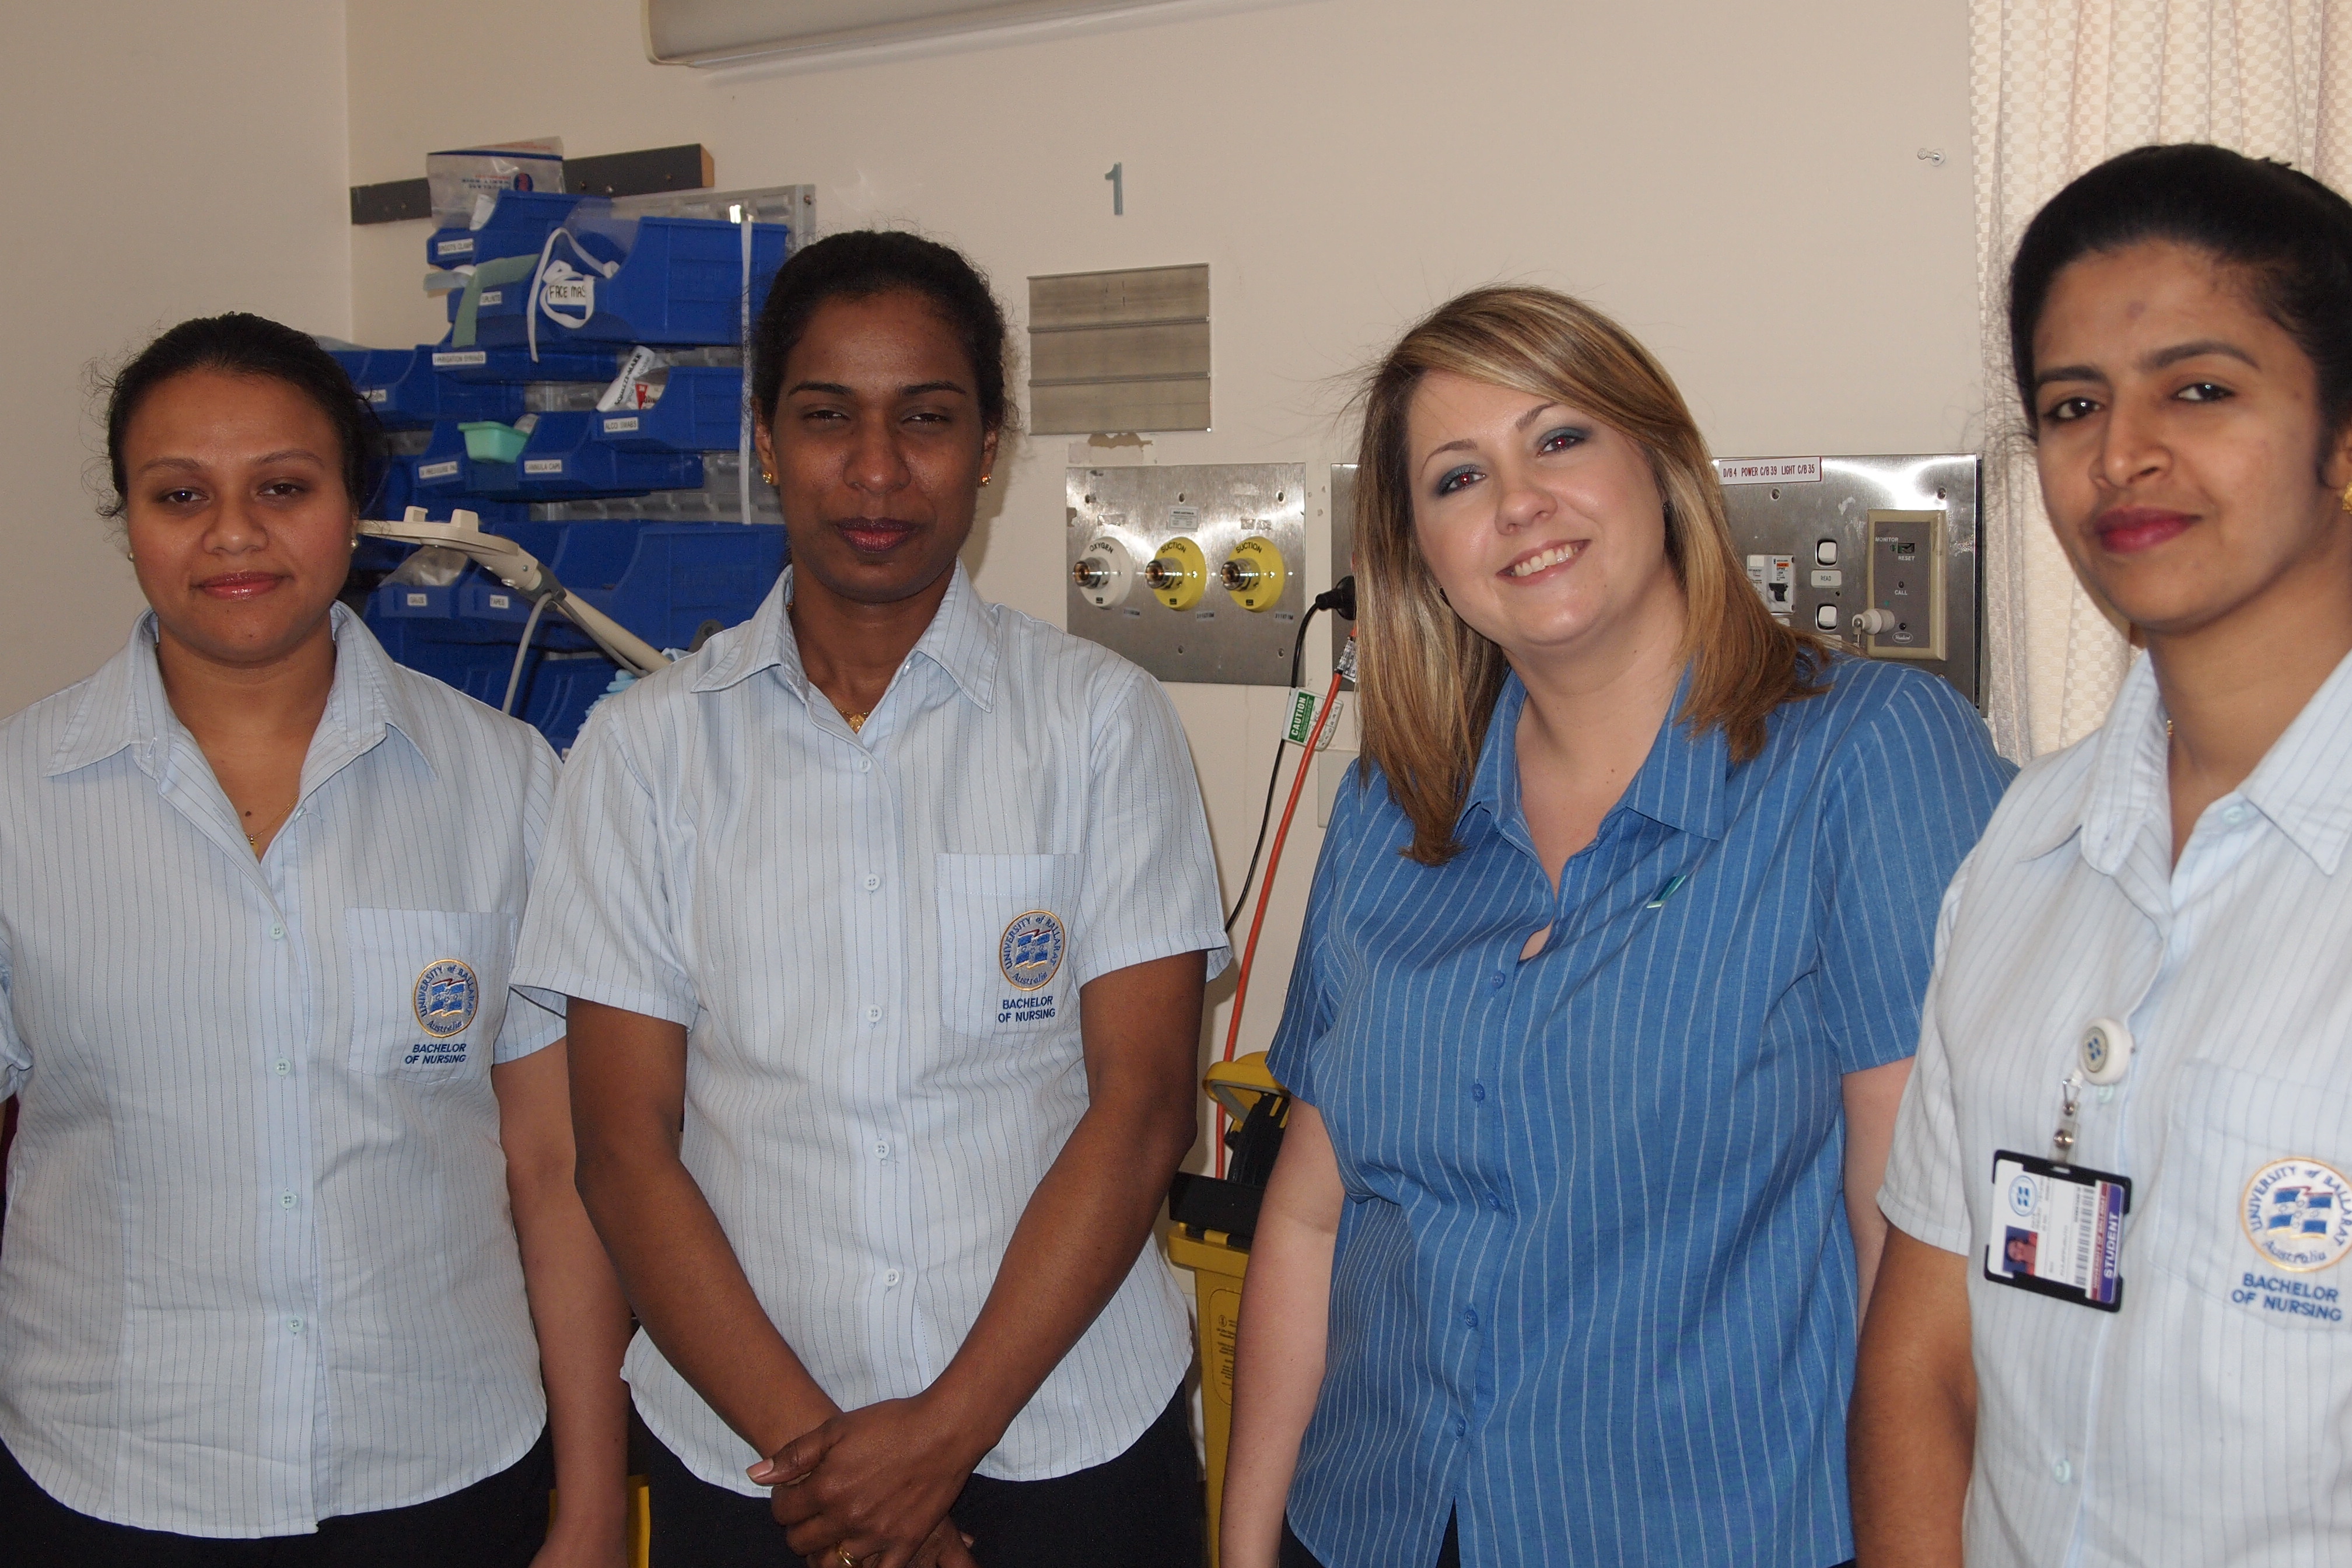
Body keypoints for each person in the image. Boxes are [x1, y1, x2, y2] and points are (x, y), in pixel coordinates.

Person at [1220, 285, 2013, 1568]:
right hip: (1372, 1525)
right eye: (1458, 476)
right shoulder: (1391, 806)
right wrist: (1249, 1546)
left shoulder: (1868, 757)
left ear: (1661, 462)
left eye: (1560, 438)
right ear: (1420, 553)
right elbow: (1312, 1221)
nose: (1519, 502)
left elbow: (1918, 1245)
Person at [513, 230, 1228, 1568]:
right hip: (754, 1460)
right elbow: (622, 1146)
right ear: (768, 439)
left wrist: (938, 1441)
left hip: (1069, 1439)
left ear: (990, 448)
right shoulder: (646, 751)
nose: (879, 469)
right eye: (829, 416)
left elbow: (1141, 1112)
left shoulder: (1099, 725)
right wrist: (839, 1474)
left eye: (929, 419)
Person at [0, 313, 631, 1565]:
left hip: (444, 1468)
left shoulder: (504, 782)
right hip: (112, 1477)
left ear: (356, 506)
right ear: (130, 520)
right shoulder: (21, 798)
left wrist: (595, 1500)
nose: (234, 534)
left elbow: (556, 1167)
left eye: (283, 488)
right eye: (181, 495)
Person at [1854, 143, 2352, 1566]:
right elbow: (1927, 1360)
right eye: (2074, 406)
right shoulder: (2026, 846)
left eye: (2200, 390)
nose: (2122, 453)